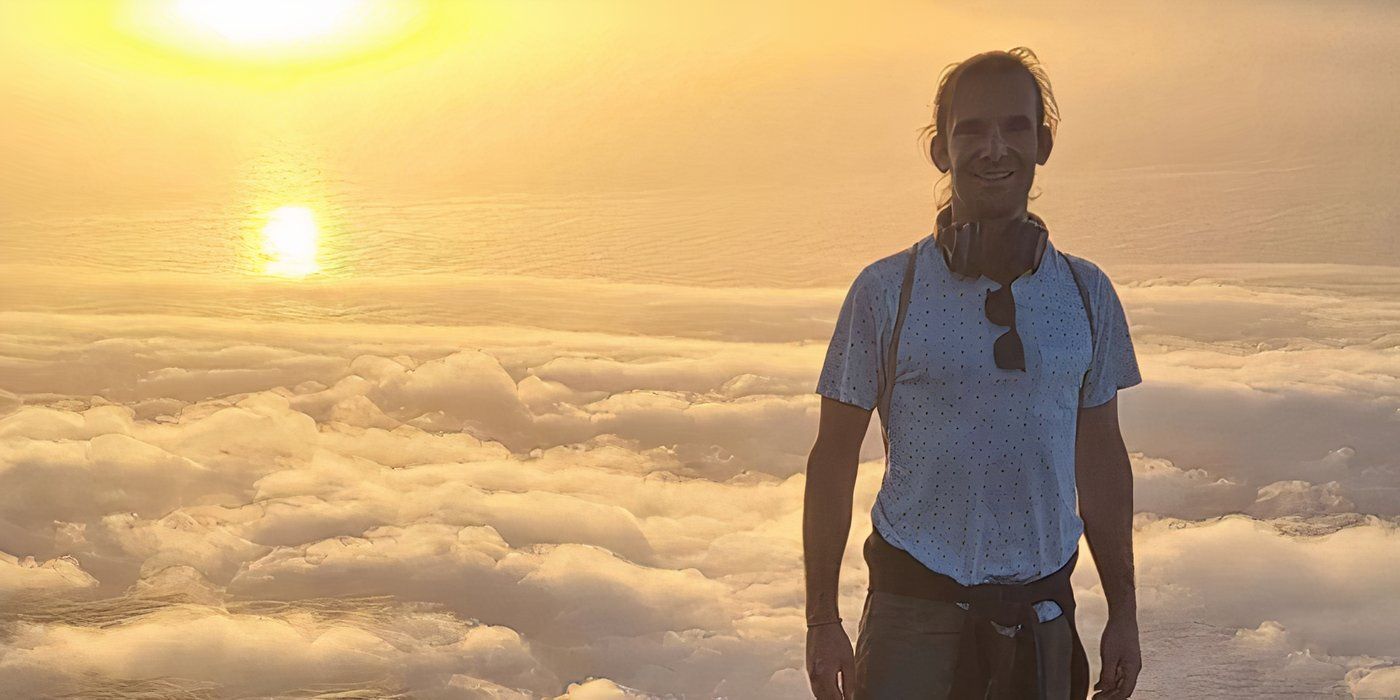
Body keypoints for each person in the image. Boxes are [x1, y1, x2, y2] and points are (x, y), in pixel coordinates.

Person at [804, 47, 1143, 699]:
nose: (995, 148)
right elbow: (832, 458)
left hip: (1046, 621)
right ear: (940, 151)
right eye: (971, 130)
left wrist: (1123, 614)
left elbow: (1101, 460)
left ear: (1043, 144)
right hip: (913, 620)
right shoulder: (886, 293)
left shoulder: (1085, 292)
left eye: (1015, 127)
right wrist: (823, 621)